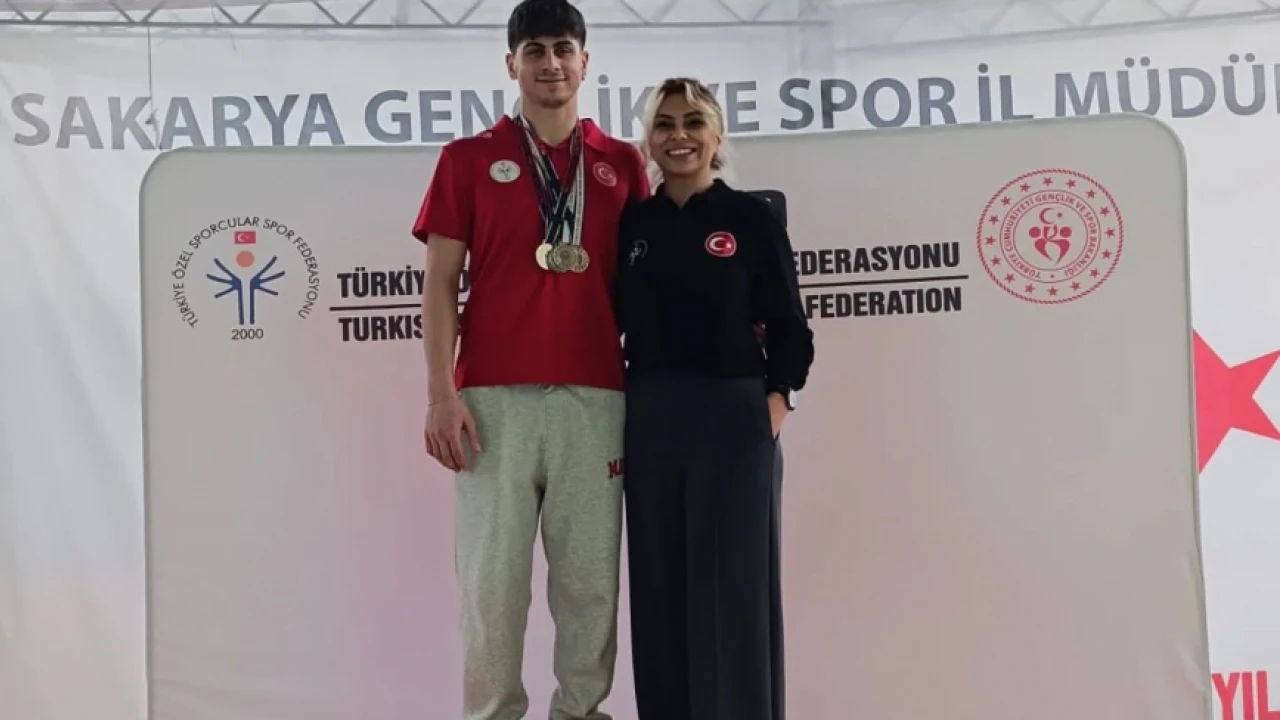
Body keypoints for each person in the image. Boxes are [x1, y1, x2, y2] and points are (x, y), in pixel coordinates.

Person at [410, 0, 651, 717]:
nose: (551, 63)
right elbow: (440, 282)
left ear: (585, 61)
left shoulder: (621, 163)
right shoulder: (467, 159)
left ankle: (582, 711)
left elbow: (648, 285)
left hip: (596, 397)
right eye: (536, 50)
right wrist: (440, 394)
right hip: (491, 401)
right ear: (511, 64)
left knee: (591, 586)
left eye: (563, 49)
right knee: (491, 586)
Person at [614, 77, 815, 720]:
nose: (679, 136)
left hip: (734, 421)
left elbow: (791, 329)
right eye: (665, 123)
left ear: (717, 134)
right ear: (648, 139)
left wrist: (774, 405)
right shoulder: (633, 224)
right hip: (650, 419)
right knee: (661, 587)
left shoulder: (750, 219)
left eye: (693, 122)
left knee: (733, 593)